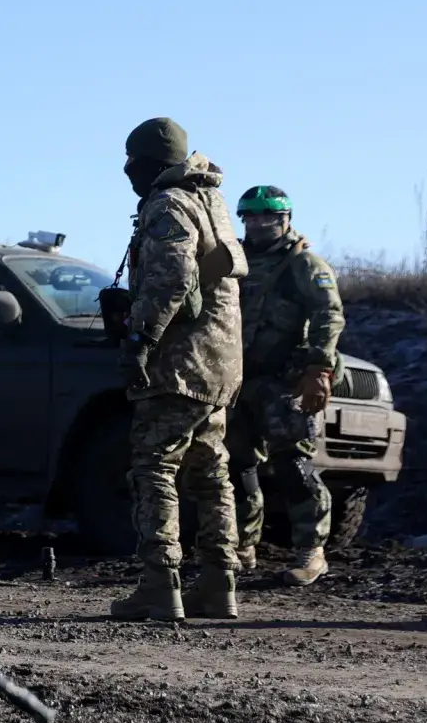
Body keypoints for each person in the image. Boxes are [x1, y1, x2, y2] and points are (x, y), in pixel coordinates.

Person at [109, 117, 248, 622]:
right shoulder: (210, 200)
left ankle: (160, 584)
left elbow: (171, 278)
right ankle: (218, 584)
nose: (127, 172)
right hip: (219, 363)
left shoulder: (168, 203)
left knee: (155, 467)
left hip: (179, 364)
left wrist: (139, 340)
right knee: (211, 473)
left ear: (149, 163)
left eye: (132, 163)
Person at [229, 185, 345, 587]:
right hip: (240, 379)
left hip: (286, 380)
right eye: (252, 217)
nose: (260, 224)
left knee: (294, 466)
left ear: (286, 219)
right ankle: (242, 548)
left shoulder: (303, 264)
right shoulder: (236, 261)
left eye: (269, 217)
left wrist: (319, 369)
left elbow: (329, 315)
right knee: (236, 466)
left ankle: (311, 551)